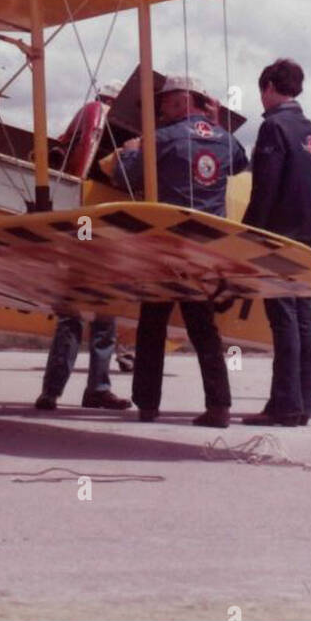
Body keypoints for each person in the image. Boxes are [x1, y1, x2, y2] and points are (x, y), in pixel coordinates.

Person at [103, 74, 249, 427]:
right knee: (204, 329)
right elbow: (241, 163)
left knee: (152, 324)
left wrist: (132, 151)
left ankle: (148, 404)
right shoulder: (225, 140)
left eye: (166, 102)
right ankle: (219, 406)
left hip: (167, 246)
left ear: (184, 100)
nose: (162, 109)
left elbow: (124, 178)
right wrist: (215, 124)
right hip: (204, 249)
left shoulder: (162, 138)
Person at [242, 58, 311, 427]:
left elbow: (265, 190)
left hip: (278, 239)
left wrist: (248, 236)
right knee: (304, 323)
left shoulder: (274, 128)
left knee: (285, 322)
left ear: (268, 88)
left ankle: (284, 405)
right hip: (309, 239)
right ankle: (304, 403)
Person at [36, 80, 130, 411]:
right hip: (102, 227)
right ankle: (97, 388)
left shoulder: (85, 115)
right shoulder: (108, 122)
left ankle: (52, 391)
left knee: (71, 316)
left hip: (80, 223)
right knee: (103, 316)